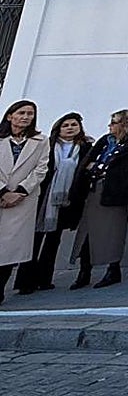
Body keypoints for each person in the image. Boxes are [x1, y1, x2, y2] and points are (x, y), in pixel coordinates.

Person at [66, 109, 128, 289]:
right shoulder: (106, 141)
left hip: (114, 194)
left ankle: (113, 270)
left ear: (125, 124)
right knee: (86, 233)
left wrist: (102, 169)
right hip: (93, 191)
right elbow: (89, 162)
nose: (110, 126)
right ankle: (84, 271)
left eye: (114, 122)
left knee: (112, 234)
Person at [16, 113, 91, 294]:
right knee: (33, 240)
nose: (70, 128)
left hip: (66, 200)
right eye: (65, 125)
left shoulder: (85, 148)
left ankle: (44, 279)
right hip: (44, 198)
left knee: (53, 241)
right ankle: (25, 282)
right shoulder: (47, 146)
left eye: (74, 124)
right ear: (58, 128)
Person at [0, 101, 50, 303]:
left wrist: (20, 191)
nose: (26, 117)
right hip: (2, 194)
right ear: (10, 115)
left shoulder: (41, 141)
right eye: (21, 112)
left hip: (22, 200)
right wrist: (3, 191)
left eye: (30, 113)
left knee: (9, 247)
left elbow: (41, 169)